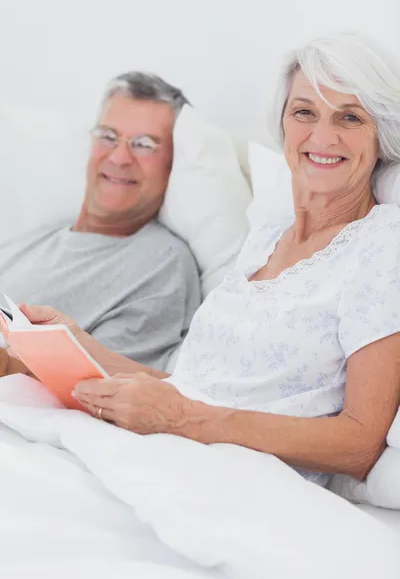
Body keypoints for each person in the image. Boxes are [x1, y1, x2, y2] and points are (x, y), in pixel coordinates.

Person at [7, 32, 400, 486]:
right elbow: (190, 388)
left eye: (349, 117)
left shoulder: (382, 243)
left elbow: (359, 444)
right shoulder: (267, 239)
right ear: (284, 124)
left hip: (237, 479)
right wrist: (77, 343)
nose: (323, 136)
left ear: (381, 137)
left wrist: (186, 422)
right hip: (172, 452)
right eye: (304, 112)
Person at [0, 72, 200, 372]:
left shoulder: (162, 263)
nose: (119, 157)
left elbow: (105, 390)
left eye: (143, 144)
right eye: (108, 136)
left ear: (173, 162)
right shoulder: (38, 237)